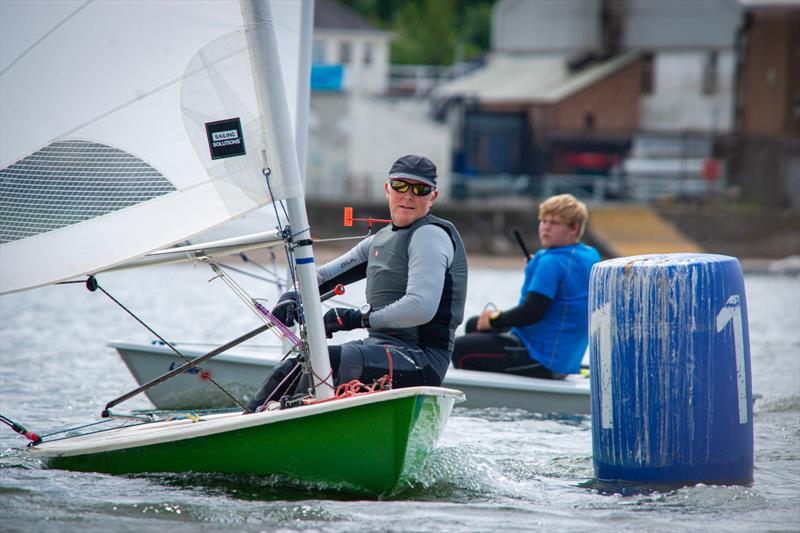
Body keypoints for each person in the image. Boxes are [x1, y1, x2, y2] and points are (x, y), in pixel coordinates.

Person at [246, 154, 468, 411]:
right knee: (295, 366)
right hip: (380, 350)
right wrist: (293, 296)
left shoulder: (431, 235)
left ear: (433, 197)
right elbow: (318, 277)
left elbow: (420, 307)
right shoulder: (379, 241)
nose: (409, 195)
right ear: (388, 189)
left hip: (421, 361)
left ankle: (280, 423)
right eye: (400, 186)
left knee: (324, 365)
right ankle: (247, 423)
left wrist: (354, 318)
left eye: (420, 189)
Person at [451, 194, 600, 379]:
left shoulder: (551, 263)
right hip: (565, 357)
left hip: (543, 360)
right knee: (475, 324)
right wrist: (536, 267)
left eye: (554, 222)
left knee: (460, 349)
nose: (545, 227)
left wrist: (494, 319)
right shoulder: (590, 255)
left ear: (574, 228)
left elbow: (531, 312)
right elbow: (566, 284)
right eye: (543, 221)